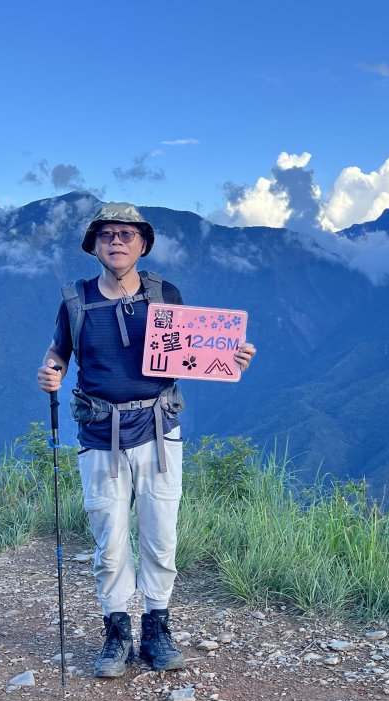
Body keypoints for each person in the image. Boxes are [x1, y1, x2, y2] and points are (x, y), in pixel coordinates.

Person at [37, 202, 256, 677]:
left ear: (142, 244)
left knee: (160, 535)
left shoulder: (164, 294)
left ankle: (156, 628)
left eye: (127, 234)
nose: (117, 241)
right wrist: (51, 373)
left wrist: (231, 356)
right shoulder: (75, 301)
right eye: (108, 234)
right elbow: (59, 352)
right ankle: (117, 633)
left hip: (158, 430)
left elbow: (197, 349)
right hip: (99, 433)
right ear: (94, 244)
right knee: (110, 539)